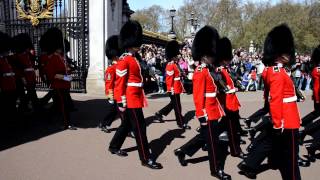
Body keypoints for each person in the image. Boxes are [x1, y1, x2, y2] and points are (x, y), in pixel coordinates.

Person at [174, 26, 231, 180]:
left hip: (214, 109)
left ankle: (182, 151)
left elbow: (215, 89)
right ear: (205, 55)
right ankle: (216, 169)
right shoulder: (200, 72)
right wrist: (201, 116)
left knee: (204, 138)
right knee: (212, 142)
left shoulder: (210, 70)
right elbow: (198, 98)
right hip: (207, 111)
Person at [109, 20, 162, 169]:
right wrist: (121, 102)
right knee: (140, 128)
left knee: (126, 125)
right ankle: (145, 158)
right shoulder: (124, 60)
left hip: (136, 95)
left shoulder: (134, 59)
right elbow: (119, 84)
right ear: (131, 41)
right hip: (130, 98)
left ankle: (114, 146)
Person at [263, 24, 301, 180]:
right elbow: (275, 99)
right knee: (292, 158)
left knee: (286, 155)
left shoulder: (276, 70)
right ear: (279, 53)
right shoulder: (278, 73)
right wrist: (279, 123)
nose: (289, 55)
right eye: (286, 52)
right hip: (288, 119)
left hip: (287, 116)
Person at [216, 37, 246, 159]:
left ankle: (235, 149)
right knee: (232, 129)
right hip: (227, 103)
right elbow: (222, 89)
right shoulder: (219, 71)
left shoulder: (225, 69)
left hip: (232, 102)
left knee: (231, 128)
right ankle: (236, 150)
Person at [42, 28, 77, 130]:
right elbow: (52, 74)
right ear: (55, 47)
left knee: (58, 104)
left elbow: (65, 69)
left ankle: (48, 116)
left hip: (65, 84)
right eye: (59, 47)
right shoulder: (52, 58)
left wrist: (70, 70)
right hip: (58, 85)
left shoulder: (61, 57)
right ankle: (67, 123)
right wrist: (66, 77)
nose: (61, 49)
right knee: (63, 105)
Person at [154, 40, 191, 129]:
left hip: (177, 87)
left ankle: (159, 113)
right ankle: (180, 123)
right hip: (173, 88)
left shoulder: (175, 64)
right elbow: (169, 79)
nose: (178, 56)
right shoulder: (170, 65)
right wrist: (171, 89)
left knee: (173, 104)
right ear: (172, 56)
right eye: (176, 55)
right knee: (177, 106)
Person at [99, 35, 122, 133]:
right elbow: (109, 84)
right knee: (114, 112)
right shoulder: (111, 68)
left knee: (120, 112)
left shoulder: (119, 66)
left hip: (121, 93)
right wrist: (110, 96)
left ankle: (126, 128)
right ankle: (103, 124)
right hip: (114, 94)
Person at [13, 33, 40, 112]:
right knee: (28, 94)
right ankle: (25, 108)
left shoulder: (28, 55)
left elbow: (32, 66)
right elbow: (19, 68)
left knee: (31, 93)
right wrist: (22, 77)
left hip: (30, 77)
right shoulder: (18, 56)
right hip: (23, 78)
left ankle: (27, 107)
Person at [0, 32, 17, 119]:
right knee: (7, 106)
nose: (9, 51)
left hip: (11, 86)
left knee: (11, 105)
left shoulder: (6, 59)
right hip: (5, 87)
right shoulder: (2, 60)